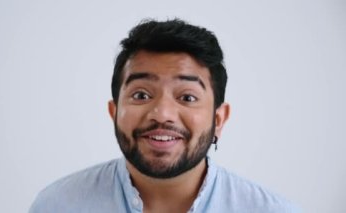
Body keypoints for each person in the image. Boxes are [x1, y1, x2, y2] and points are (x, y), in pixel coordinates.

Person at [29, 19, 300, 213]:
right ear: (114, 112)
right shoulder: (57, 205)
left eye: (187, 97)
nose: (162, 114)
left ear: (219, 120)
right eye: (141, 95)